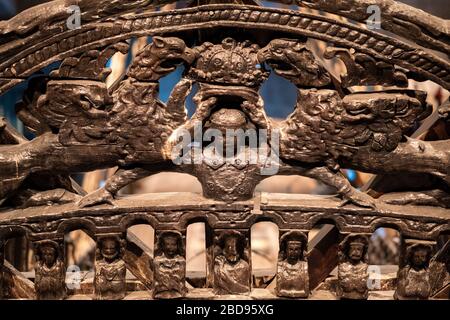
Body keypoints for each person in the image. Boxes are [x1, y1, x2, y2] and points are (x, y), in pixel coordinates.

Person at [214, 230, 250, 294]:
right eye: (228, 246)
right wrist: (220, 267)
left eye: (234, 246)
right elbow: (217, 286)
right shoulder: (219, 264)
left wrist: (223, 272)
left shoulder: (244, 266)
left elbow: (243, 289)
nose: (231, 249)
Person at [153, 231, 187, 299]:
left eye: (173, 244)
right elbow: (157, 280)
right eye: (167, 244)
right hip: (160, 292)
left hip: (177, 292)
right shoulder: (157, 261)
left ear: (177, 246)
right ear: (162, 245)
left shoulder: (181, 262)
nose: (170, 247)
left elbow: (180, 280)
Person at [276, 231, 309, 298]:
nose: (293, 252)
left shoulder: (304, 266)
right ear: (286, 250)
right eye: (290, 249)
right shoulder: (280, 266)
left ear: (300, 251)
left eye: (297, 249)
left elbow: (305, 293)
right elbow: (280, 291)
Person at [337, 234, 369, 299]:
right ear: (348, 250)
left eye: (359, 249)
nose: (356, 252)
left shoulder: (364, 267)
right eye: (353, 249)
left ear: (363, 252)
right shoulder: (343, 267)